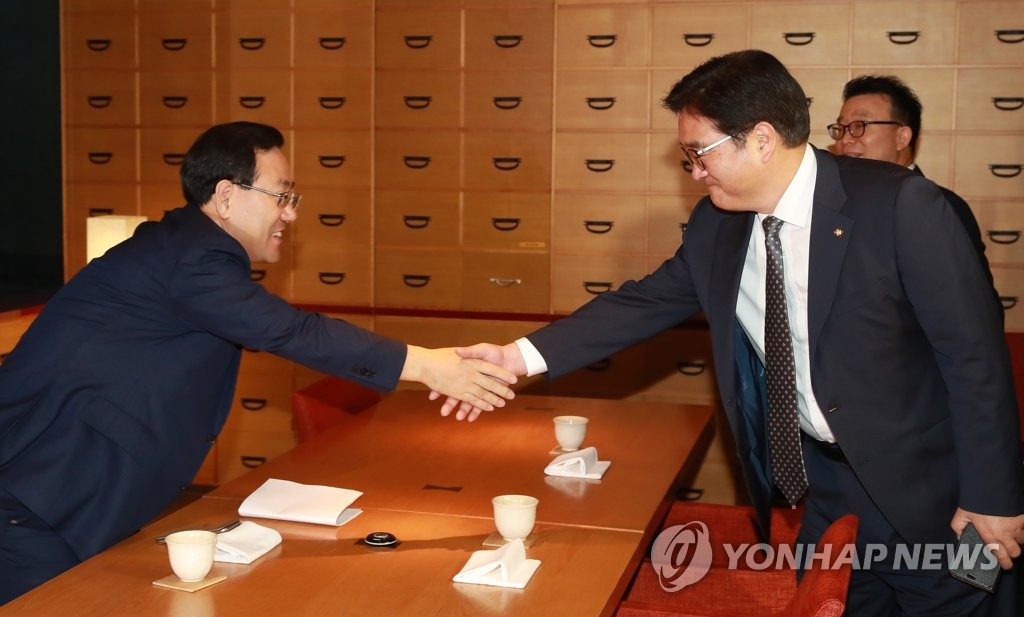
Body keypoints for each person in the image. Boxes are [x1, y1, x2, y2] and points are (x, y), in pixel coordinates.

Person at [448, 51, 1024, 616]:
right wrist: (515, 357)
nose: (695, 172)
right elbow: (642, 303)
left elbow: (974, 360)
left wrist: (992, 499)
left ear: (762, 139)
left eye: (700, 153)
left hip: (938, 496)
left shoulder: (899, 205)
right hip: (828, 487)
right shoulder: (716, 225)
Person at [0, 121, 516, 604]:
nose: (290, 214)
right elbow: (291, 331)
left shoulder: (183, 249)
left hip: (64, 495)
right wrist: (426, 365)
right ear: (227, 196)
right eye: (281, 196)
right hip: (37, 497)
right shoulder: (191, 260)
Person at [831, 74, 1001, 310]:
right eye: (841, 128)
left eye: (860, 126)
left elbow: (975, 309)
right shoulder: (833, 202)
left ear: (902, 137)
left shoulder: (943, 206)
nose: (846, 139)